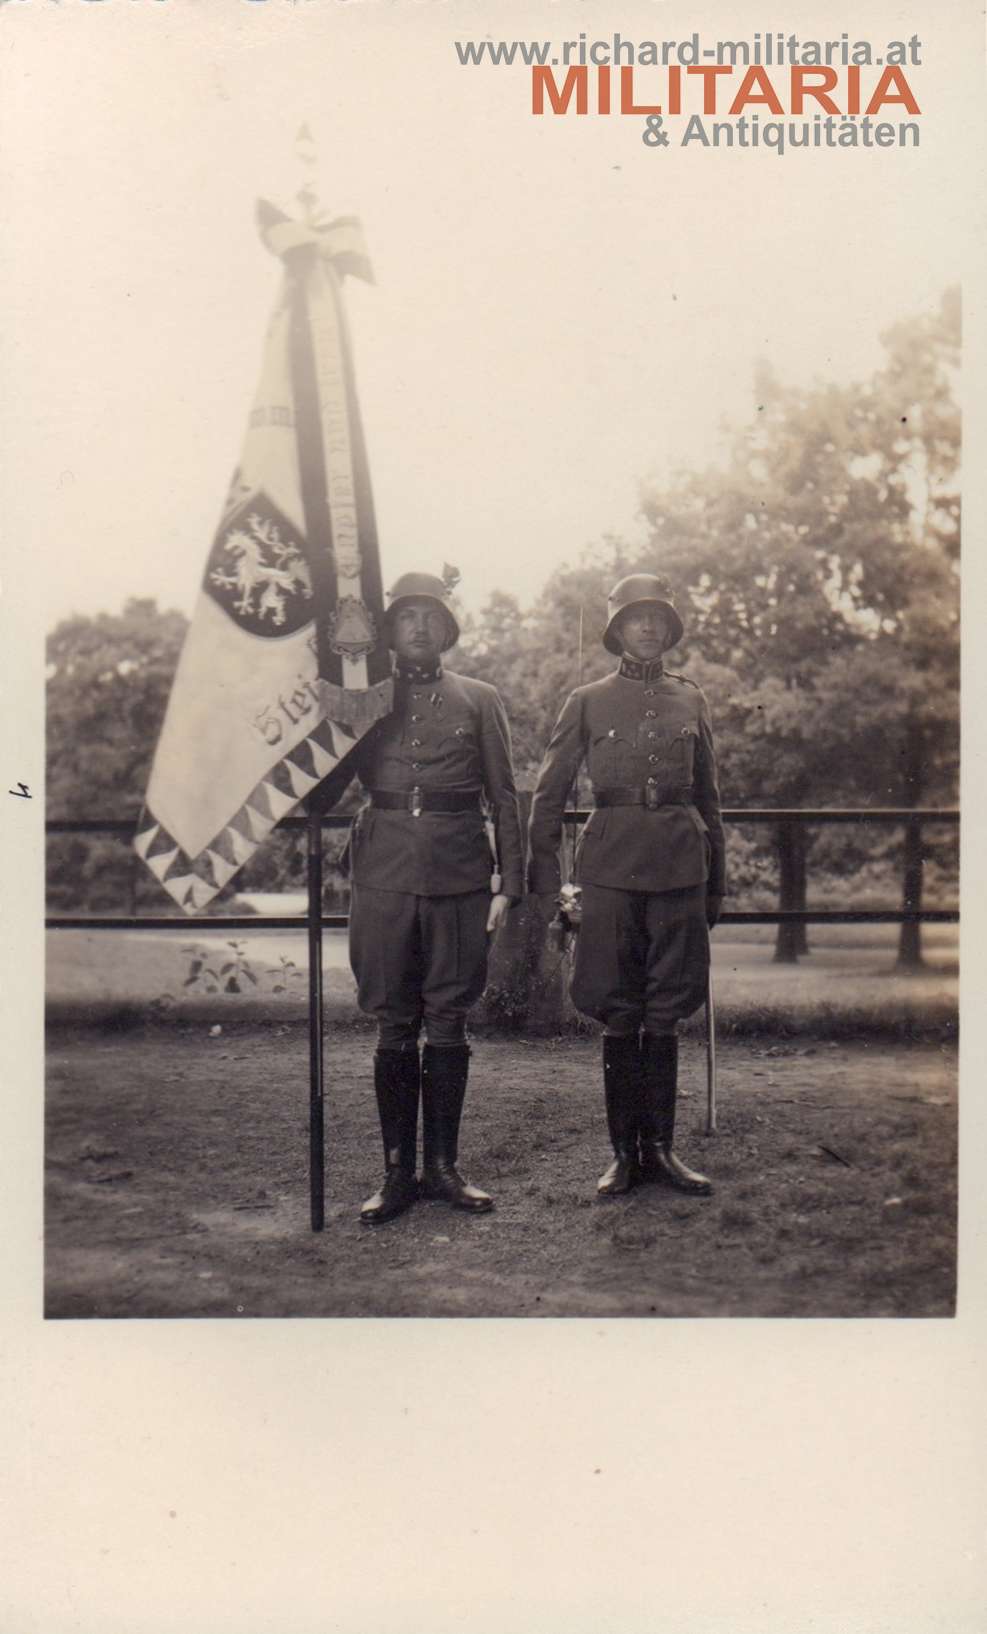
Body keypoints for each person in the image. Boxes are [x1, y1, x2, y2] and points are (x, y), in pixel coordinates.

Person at [527, 573, 725, 1198]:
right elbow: (551, 793)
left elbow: (711, 800)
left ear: (669, 629)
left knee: (665, 1009)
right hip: (609, 867)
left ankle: (661, 1151)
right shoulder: (585, 700)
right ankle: (622, 1155)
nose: (647, 627)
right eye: (636, 619)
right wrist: (549, 882)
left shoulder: (692, 700)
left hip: (678, 866)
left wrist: (714, 884)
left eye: (657, 619)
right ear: (617, 630)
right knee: (617, 1007)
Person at [345, 570, 523, 1224]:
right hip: (383, 872)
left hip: (458, 871)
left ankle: (443, 1168)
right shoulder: (362, 700)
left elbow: (504, 796)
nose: (419, 626)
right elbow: (326, 782)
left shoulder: (480, 698)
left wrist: (510, 879)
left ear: (448, 629)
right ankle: (396, 1174)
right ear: (388, 631)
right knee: (395, 1018)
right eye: (405, 616)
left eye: (431, 616)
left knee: (448, 1016)